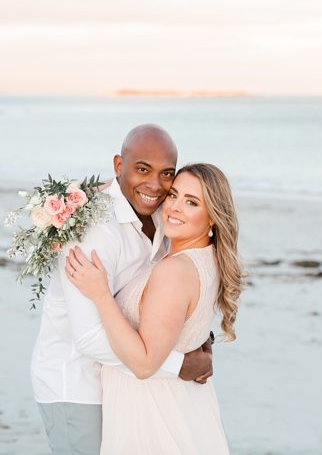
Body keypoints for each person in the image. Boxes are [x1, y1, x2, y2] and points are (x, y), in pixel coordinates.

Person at [30, 125, 214, 454]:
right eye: (142, 169)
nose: (155, 185)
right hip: (76, 385)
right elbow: (87, 339)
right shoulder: (96, 232)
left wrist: (193, 333)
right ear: (119, 166)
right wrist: (179, 365)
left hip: (123, 385)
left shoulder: (162, 214)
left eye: (167, 174)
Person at [66, 163, 243, 454]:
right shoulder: (205, 258)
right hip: (184, 407)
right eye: (173, 195)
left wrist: (101, 295)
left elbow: (145, 363)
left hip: (153, 417)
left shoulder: (174, 270)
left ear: (212, 217)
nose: (174, 208)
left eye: (192, 202)